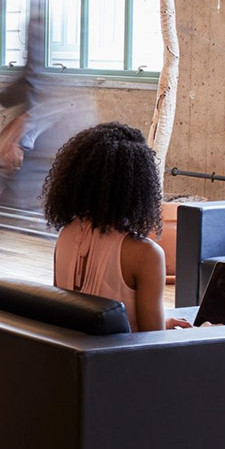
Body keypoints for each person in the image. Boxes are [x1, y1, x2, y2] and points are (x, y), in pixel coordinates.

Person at [44, 122, 183, 332]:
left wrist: (163, 324)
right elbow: (154, 343)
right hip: (122, 363)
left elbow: (78, 318)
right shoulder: (145, 254)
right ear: (141, 186)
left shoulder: (66, 234)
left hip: (74, 359)